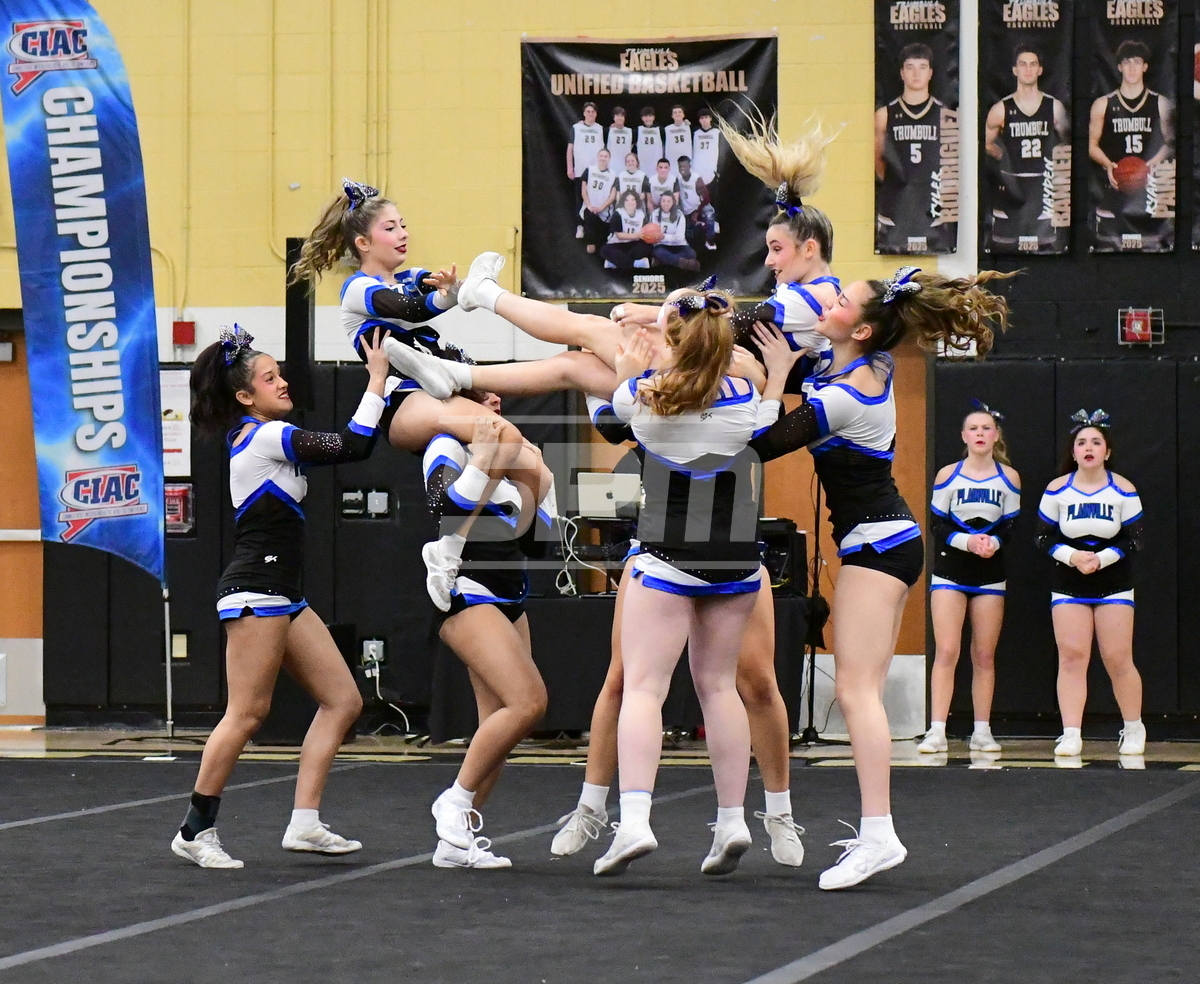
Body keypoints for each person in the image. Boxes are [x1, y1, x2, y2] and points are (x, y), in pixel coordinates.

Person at [747, 265, 1011, 889]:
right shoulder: (868, 364)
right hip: (887, 540)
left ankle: (879, 834)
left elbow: (761, 442)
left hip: (877, 545)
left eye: (839, 300)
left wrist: (777, 375)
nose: (827, 301)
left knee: (857, 691)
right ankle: (877, 831)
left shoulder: (846, 394)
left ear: (861, 329)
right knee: (860, 688)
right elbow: (817, 357)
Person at [551, 326, 807, 870]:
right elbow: (769, 422)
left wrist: (623, 371)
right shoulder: (744, 398)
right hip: (735, 559)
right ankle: (733, 819)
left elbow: (610, 413)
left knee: (645, 688)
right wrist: (776, 375)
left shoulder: (648, 399)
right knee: (718, 688)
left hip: (668, 554)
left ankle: (635, 821)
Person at [171, 325, 389, 869]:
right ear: (246, 396)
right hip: (255, 590)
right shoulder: (264, 436)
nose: (283, 383)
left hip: (282, 594)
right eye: (271, 378)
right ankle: (194, 830)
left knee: (343, 701)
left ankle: (305, 823)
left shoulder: (263, 436)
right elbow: (353, 445)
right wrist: (377, 380)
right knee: (247, 713)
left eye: (279, 374)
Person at [423, 400, 556, 869]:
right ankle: (454, 801)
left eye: (499, 394)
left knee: (498, 726)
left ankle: (455, 842)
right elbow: (442, 508)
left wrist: (539, 482)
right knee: (529, 703)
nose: (496, 401)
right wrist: (481, 458)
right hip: (466, 590)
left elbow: (538, 543)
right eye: (483, 395)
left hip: (510, 595)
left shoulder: (517, 455)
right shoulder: (446, 445)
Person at [1036, 410, 1145, 758]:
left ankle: (1134, 727)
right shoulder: (1057, 489)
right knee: (1072, 656)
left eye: (1096, 442)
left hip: (1114, 581)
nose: (1088, 448)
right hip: (1069, 581)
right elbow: (1042, 537)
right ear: (1073, 451)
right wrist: (1072, 556)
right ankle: (1071, 733)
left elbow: (1135, 539)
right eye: (1081, 442)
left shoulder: (1123, 488)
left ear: (1107, 451)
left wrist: (1102, 558)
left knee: (1117, 657)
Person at [919, 402, 1021, 755]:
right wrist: (967, 541)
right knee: (947, 650)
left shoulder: (1009, 478)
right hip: (951, 571)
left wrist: (993, 542)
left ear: (996, 435)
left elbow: (1010, 526)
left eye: (986, 428)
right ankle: (936, 730)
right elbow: (936, 524)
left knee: (984, 654)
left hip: (989, 572)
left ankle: (982, 730)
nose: (980, 433)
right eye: (973, 428)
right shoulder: (948, 475)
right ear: (964, 436)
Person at [1088, 40, 1175, 251]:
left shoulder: (1161, 103)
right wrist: (1108, 164)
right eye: (1127, 62)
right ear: (1119, 67)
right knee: (1107, 248)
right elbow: (1091, 145)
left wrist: (1151, 164)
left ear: (1145, 66)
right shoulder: (1102, 104)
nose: (1132, 67)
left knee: (1155, 247)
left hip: (1150, 192)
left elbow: (1171, 143)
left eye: (1137, 62)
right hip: (1114, 188)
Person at [984, 45, 1070, 253]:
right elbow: (985, 143)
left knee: (1051, 249)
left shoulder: (1054, 107)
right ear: (1015, 70)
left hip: (1045, 189)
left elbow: (1066, 144)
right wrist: (1000, 155)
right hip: (1013, 190)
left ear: (1040, 70)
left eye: (1033, 64)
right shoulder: (1000, 109)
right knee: (1005, 249)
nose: (1028, 69)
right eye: (1023, 65)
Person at [874, 42, 950, 254]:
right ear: (901, 73)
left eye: (922, 67)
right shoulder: (884, 115)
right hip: (895, 211)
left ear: (931, 73)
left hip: (933, 210)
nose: (916, 73)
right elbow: (878, 160)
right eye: (910, 67)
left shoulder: (945, 115)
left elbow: (951, 165)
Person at [568, 101, 604, 239]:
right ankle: (580, 225)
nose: (590, 114)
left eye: (593, 111)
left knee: (596, 198)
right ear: (583, 113)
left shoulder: (600, 128)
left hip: (596, 171)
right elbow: (570, 149)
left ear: (596, 114)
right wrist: (570, 167)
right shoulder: (576, 128)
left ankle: (597, 228)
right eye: (588, 111)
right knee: (580, 198)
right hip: (580, 169)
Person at [600, 189, 652, 270]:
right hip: (617, 244)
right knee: (605, 250)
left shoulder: (641, 214)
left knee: (648, 247)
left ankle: (616, 263)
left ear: (637, 201)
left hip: (633, 244)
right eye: (626, 200)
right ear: (623, 202)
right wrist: (636, 235)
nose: (630, 202)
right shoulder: (618, 213)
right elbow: (619, 236)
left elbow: (645, 233)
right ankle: (635, 263)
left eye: (633, 199)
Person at [649, 190, 699, 272]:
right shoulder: (655, 214)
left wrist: (664, 237)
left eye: (668, 201)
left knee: (692, 253)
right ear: (660, 202)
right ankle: (681, 262)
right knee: (657, 252)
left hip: (678, 244)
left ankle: (665, 261)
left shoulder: (679, 215)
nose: (666, 204)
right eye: (663, 201)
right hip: (662, 245)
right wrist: (659, 237)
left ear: (673, 202)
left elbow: (680, 238)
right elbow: (654, 235)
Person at [580, 147, 619, 253]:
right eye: (601, 156)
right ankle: (590, 242)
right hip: (590, 207)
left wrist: (601, 208)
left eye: (605, 156)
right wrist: (588, 205)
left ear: (609, 158)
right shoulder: (589, 170)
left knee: (602, 240)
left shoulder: (613, 175)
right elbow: (583, 190)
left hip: (604, 213)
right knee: (589, 216)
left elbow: (612, 196)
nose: (603, 158)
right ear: (597, 157)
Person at [676, 156, 716, 251]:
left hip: (698, 207)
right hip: (686, 209)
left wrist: (697, 212)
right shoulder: (678, 179)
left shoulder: (696, 179)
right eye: (680, 166)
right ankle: (700, 225)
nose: (682, 169)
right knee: (689, 234)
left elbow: (707, 198)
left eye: (685, 166)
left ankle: (709, 239)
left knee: (709, 212)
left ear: (690, 166)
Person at [615, 150, 652, 214]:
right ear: (625, 163)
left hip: (638, 206)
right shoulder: (620, 175)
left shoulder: (643, 175)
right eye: (628, 161)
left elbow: (643, 195)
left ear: (637, 162)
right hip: (624, 206)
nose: (630, 163)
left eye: (632, 161)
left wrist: (634, 203)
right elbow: (618, 194)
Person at [692, 107, 721, 187]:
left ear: (710, 118)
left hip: (711, 167)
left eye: (706, 117)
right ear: (699, 120)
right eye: (702, 118)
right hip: (697, 167)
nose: (704, 120)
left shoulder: (717, 132)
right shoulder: (695, 133)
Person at [663, 104, 693, 175]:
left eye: (680, 112)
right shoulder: (667, 129)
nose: (677, 114)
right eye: (675, 112)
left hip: (686, 160)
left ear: (683, 114)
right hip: (672, 161)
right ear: (672, 116)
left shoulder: (689, 127)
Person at [636, 106, 663, 176]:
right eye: (645, 116)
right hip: (643, 164)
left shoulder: (660, 130)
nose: (648, 118)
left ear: (653, 117)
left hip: (656, 163)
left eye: (650, 116)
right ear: (642, 118)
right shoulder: (637, 130)